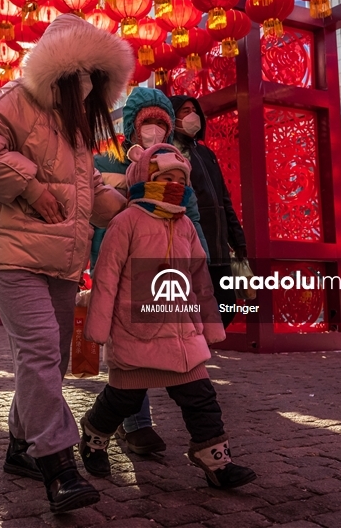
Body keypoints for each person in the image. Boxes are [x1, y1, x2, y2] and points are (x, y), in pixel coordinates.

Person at [0, 13, 131, 514]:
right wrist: (29, 185)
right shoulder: (13, 100)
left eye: (95, 80)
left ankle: (19, 447)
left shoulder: (77, 129)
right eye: (79, 76)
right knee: (38, 351)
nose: (86, 88)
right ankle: (58, 465)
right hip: (10, 253)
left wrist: (127, 207)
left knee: (46, 358)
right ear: (55, 68)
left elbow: (86, 190)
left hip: (59, 258)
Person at [80, 143, 257, 490]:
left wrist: (211, 326)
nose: (176, 183)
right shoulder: (126, 220)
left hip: (183, 333)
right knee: (123, 399)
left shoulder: (186, 225)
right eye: (166, 177)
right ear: (146, 178)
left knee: (201, 397)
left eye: (181, 178)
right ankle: (94, 435)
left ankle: (216, 462)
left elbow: (200, 281)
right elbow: (107, 276)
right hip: (136, 330)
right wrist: (98, 329)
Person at [92, 86, 210, 457]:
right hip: (127, 271)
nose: (156, 130)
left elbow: (191, 217)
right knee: (133, 346)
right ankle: (135, 423)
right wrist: (99, 267)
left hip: (169, 273)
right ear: (132, 126)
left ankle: (208, 442)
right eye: (148, 124)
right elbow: (100, 222)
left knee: (171, 340)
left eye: (163, 124)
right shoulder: (106, 163)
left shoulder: (176, 162)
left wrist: (201, 266)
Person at [170, 95, 248, 327]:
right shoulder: (170, 152)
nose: (192, 115)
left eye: (194, 110)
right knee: (193, 307)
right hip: (192, 244)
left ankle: (198, 350)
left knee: (227, 306)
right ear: (172, 116)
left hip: (219, 247)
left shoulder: (207, 154)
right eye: (185, 110)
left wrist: (238, 239)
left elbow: (224, 200)